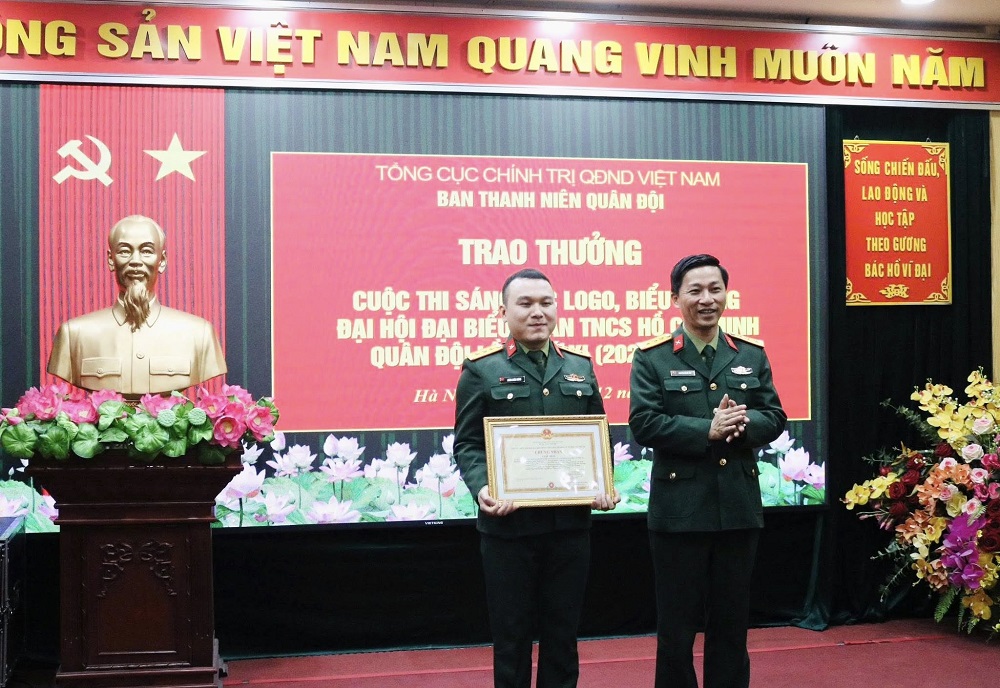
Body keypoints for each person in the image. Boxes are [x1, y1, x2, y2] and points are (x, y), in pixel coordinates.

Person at [453, 268, 618, 688]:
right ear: (503, 312)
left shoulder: (580, 367)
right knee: (512, 639)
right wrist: (483, 487)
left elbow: (598, 436)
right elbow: (468, 443)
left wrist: (602, 483)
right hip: (508, 530)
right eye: (525, 303)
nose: (537, 312)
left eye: (546, 303)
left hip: (569, 528)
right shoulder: (481, 370)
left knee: (563, 637)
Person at [628, 254, 786, 688]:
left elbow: (774, 415)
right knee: (676, 630)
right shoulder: (653, 357)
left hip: (737, 508)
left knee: (731, 626)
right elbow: (644, 423)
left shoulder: (749, 353)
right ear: (675, 298)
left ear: (726, 294)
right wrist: (707, 430)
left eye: (715, 289)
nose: (706, 299)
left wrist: (742, 424)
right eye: (695, 291)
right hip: (679, 512)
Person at [47, 214, 227, 396]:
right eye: (124, 251)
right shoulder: (74, 335)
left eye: (146, 251)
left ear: (162, 261)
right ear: (111, 259)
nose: (135, 261)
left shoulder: (199, 334)